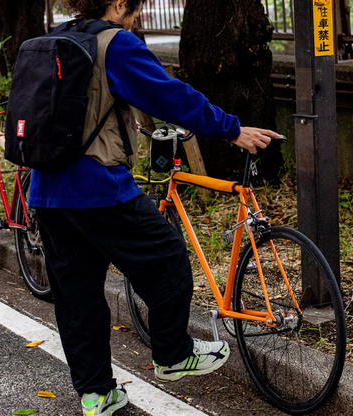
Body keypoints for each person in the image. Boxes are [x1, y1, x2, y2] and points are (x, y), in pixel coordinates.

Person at [29, 0, 280, 414]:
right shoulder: (116, 44)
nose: (138, 16)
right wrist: (231, 129)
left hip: (47, 190)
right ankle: (173, 353)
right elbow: (169, 95)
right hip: (98, 186)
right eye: (136, 7)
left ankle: (96, 394)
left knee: (77, 298)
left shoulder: (54, 38)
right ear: (119, 3)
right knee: (167, 258)